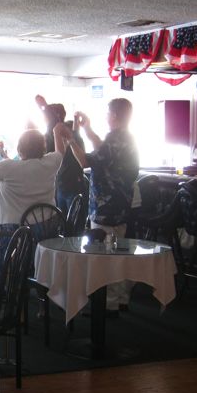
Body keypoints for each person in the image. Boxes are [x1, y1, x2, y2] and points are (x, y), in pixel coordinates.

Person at [57, 98, 140, 314]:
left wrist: (70, 141)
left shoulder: (114, 138)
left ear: (113, 116)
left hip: (106, 207)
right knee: (120, 251)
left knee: (105, 256)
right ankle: (121, 298)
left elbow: (86, 161)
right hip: (122, 204)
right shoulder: (127, 138)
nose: (106, 117)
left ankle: (109, 303)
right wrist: (87, 129)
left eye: (107, 113)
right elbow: (102, 152)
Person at [0, 126, 65, 284]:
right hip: (45, 228)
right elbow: (60, 152)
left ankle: (1, 288)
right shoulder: (50, 163)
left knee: (5, 252)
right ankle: (40, 285)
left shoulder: (9, 167)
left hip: (14, 230)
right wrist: (57, 133)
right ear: (42, 147)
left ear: (20, 148)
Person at [35, 95, 88, 213]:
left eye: (46, 116)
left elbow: (55, 124)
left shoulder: (67, 133)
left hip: (72, 185)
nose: (44, 118)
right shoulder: (53, 134)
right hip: (60, 186)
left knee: (73, 227)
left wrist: (44, 107)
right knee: (62, 225)